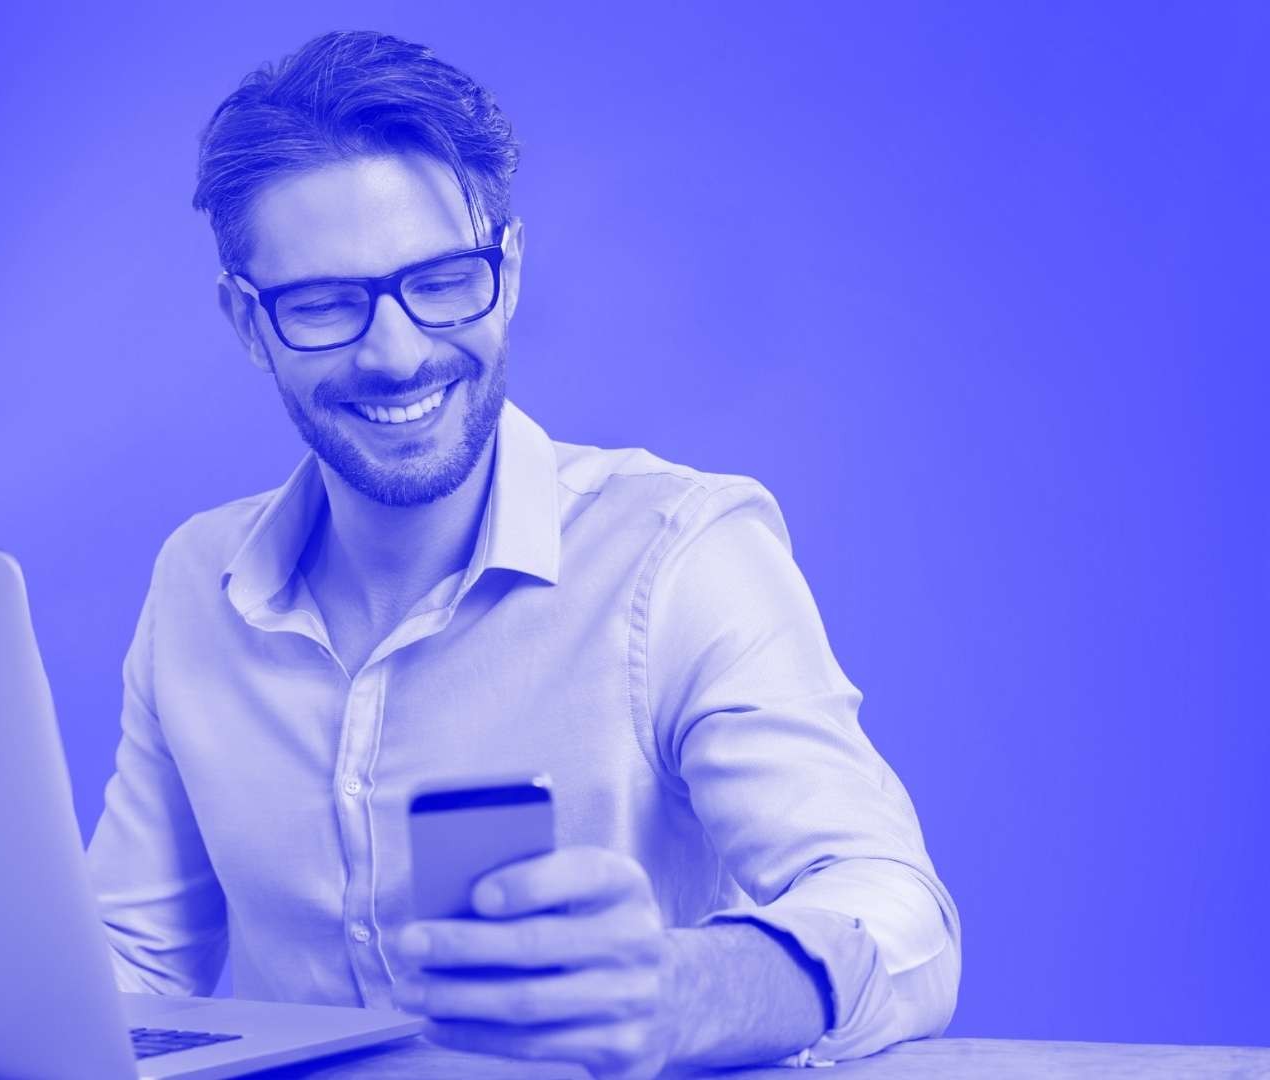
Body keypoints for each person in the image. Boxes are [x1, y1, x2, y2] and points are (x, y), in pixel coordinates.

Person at [85, 30, 960, 1079]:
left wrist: (685, 992)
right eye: (324, 303)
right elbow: (130, 966)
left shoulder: (680, 554)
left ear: (507, 268)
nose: (397, 351)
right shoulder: (197, 585)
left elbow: (893, 913)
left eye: (444, 281)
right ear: (247, 321)